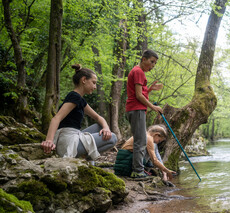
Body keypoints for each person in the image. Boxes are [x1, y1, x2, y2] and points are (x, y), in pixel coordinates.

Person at [41, 64, 117, 164]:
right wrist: (49, 140)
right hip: (67, 143)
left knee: (100, 126)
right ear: (84, 80)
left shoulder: (80, 100)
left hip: (74, 136)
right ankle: (89, 161)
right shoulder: (74, 96)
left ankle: (89, 162)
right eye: (93, 83)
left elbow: (99, 118)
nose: (95, 87)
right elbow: (56, 118)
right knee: (113, 138)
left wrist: (106, 128)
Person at [125, 49, 163, 178]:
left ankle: (138, 170)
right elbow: (138, 95)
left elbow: (140, 94)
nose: (152, 65)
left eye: (155, 63)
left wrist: (150, 89)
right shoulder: (138, 71)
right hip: (136, 109)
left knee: (140, 140)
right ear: (143, 59)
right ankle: (137, 171)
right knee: (140, 141)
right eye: (151, 62)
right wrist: (153, 107)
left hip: (135, 109)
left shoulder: (137, 72)